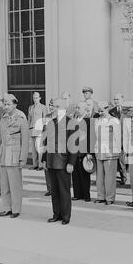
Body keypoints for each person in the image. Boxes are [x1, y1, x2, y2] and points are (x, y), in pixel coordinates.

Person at [41, 97, 78, 225]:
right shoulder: (51, 122)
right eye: (52, 106)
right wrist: (44, 159)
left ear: (63, 108)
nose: (53, 108)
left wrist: (71, 163)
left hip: (63, 162)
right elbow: (46, 142)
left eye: (56, 106)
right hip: (51, 161)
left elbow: (74, 145)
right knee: (54, 190)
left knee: (64, 190)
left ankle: (66, 216)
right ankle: (56, 214)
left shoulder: (71, 123)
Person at [0, 94, 29, 218]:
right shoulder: (3, 118)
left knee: (15, 185)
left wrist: (22, 158)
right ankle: (6, 207)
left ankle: (16, 209)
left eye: (9, 104)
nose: (6, 106)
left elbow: (25, 140)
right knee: (4, 185)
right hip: (4, 156)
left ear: (15, 104)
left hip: (15, 156)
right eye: (5, 104)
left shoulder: (21, 117)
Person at [94, 102, 121, 205]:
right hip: (99, 150)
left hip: (110, 151)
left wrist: (117, 150)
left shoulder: (114, 121)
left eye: (102, 110)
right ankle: (101, 196)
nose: (100, 113)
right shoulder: (97, 120)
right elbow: (95, 136)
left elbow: (118, 137)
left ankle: (109, 197)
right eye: (99, 111)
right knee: (99, 176)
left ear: (107, 109)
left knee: (109, 176)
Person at [71, 101, 93, 202]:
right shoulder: (74, 120)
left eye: (79, 108)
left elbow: (91, 137)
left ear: (85, 108)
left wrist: (89, 152)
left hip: (84, 151)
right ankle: (77, 194)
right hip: (75, 151)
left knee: (84, 173)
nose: (77, 109)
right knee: (75, 174)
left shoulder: (88, 121)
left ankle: (86, 195)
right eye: (76, 107)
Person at [109, 93, 127, 185]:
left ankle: (125, 177)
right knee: (119, 159)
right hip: (116, 139)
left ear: (122, 99)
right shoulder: (111, 111)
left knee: (124, 160)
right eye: (114, 99)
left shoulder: (127, 110)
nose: (116, 101)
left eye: (117, 99)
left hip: (126, 138)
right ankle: (122, 178)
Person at [27, 92, 47, 170]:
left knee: (39, 148)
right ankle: (35, 164)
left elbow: (45, 119)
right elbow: (29, 119)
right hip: (32, 130)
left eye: (36, 98)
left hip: (39, 130)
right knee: (33, 149)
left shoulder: (43, 107)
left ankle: (40, 165)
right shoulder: (31, 107)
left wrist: (44, 130)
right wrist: (28, 129)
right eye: (34, 98)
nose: (35, 99)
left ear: (39, 98)